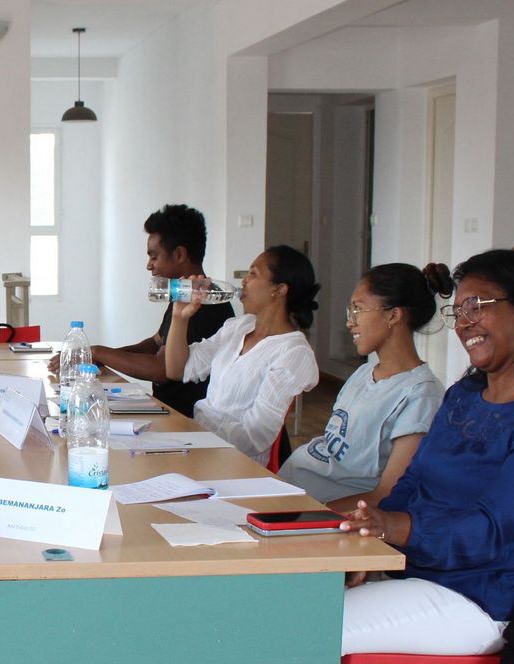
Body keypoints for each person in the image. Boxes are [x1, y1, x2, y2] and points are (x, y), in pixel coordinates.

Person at [339, 250, 514, 656]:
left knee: (300, 626)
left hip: (477, 600)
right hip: (414, 573)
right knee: (277, 600)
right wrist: (372, 544)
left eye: (476, 306)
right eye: (457, 312)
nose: (463, 323)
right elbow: (412, 482)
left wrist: (393, 528)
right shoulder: (464, 396)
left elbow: (487, 532)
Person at [278, 263, 444, 507]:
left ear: (393, 315)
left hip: (319, 509)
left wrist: (311, 516)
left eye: (358, 309)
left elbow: (386, 495)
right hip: (287, 487)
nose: (350, 322)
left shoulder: (421, 393)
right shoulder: (365, 372)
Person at [66, 204, 235, 415]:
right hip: (166, 408)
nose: (149, 265)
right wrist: (99, 356)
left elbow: (161, 369)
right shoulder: (185, 295)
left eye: (154, 256)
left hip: (184, 418)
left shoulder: (205, 305)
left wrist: (97, 352)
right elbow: (156, 342)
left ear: (179, 254)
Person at [163, 244, 321, 464]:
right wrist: (180, 317)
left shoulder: (294, 352)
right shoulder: (239, 326)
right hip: (199, 443)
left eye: (253, 274)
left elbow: (254, 437)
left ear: (279, 289)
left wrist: (197, 436)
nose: (244, 281)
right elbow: (177, 370)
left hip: (234, 462)